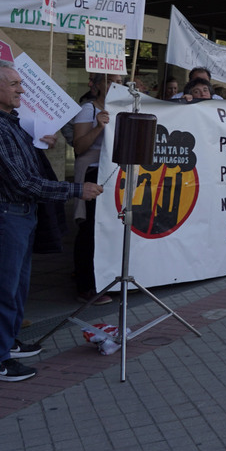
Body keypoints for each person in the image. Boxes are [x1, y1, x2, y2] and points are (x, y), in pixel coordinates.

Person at [0, 61, 104, 382]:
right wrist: (77, 189)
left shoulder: (9, 122)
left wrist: (41, 144)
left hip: (20, 214)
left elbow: (28, 169)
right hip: (8, 213)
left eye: (21, 83)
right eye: (13, 84)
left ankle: (5, 344)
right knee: (2, 289)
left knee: (16, 287)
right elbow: (23, 181)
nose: (22, 89)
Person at [71, 74, 124, 304]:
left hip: (115, 175)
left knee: (110, 230)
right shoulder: (88, 110)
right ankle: (86, 286)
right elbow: (79, 147)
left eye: (121, 81)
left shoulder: (124, 108)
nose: (117, 85)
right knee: (90, 231)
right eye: (111, 81)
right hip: (93, 173)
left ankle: (106, 280)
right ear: (98, 85)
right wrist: (99, 127)